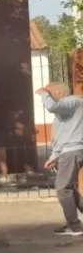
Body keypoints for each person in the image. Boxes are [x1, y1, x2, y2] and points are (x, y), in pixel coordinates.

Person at [37, 82, 83, 235]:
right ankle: (74, 224)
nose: (48, 96)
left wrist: (43, 93)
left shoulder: (73, 101)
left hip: (72, 151)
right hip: (69, 151)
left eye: (50, 92)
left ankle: (74, 226)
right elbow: (61, 136)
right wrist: (54, 156)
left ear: (60, 92)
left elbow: (51, 107)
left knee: (63, 188)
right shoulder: (65, 111)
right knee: (72, 189)